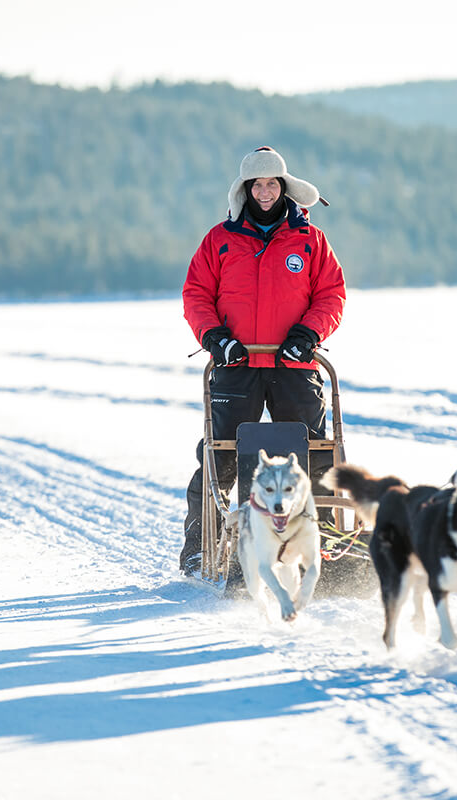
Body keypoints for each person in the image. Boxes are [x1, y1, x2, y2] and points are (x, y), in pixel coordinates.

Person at [179, 146, 347, 576]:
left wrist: (308, 334)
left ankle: (323, 546)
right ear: (247, 190)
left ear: (284, 187)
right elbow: (196, 294)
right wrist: (216, 339)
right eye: (258, 184)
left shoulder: (310, 240)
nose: (266, 191)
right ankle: (201, 549)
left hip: (295, 364)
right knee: (220, 458)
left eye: (273, 183)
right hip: (237, 366)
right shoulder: (220, 239)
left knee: (314, 456)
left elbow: (331, 295)